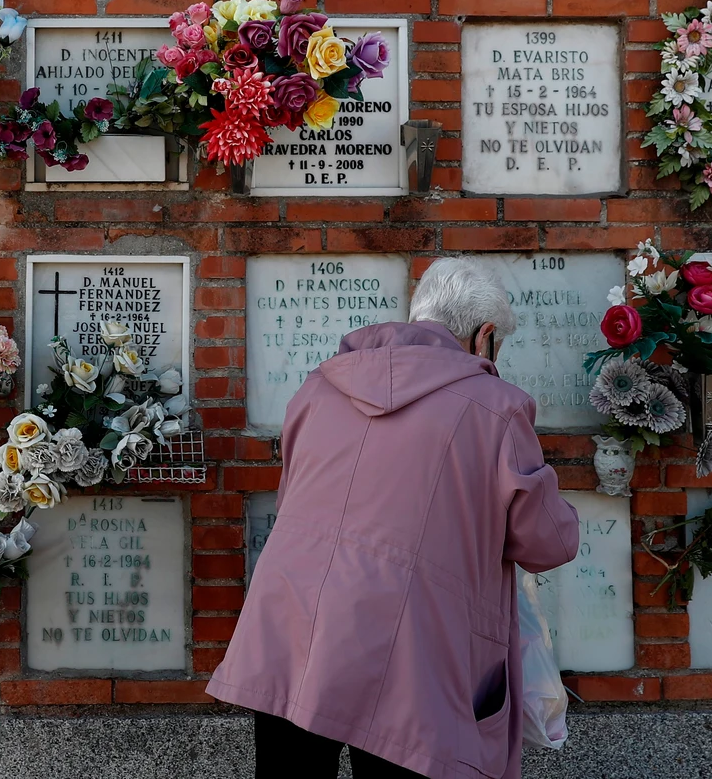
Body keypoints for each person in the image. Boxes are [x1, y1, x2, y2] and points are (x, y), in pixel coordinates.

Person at [209, 257, 581, 779]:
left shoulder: (318, 387)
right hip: (409, 645)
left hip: (291, 623)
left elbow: (292, 492)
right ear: (484, 335)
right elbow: (548, 544)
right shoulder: (498, 406)